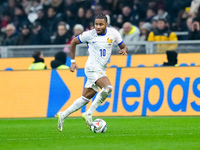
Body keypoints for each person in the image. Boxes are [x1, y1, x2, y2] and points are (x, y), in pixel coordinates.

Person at [57, 13, 128, 132]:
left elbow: (123, 46)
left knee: (85, 98)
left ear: (106, 24)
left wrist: (124, 50)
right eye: (96, 24)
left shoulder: (113, 33)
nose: (98, 27)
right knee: (108, 88)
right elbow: (73, 42)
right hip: (92, 67)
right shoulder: (89, 35)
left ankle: (63, 115)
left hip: (101, 68)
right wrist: (73, 62)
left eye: (101, 24)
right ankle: (89, 114)